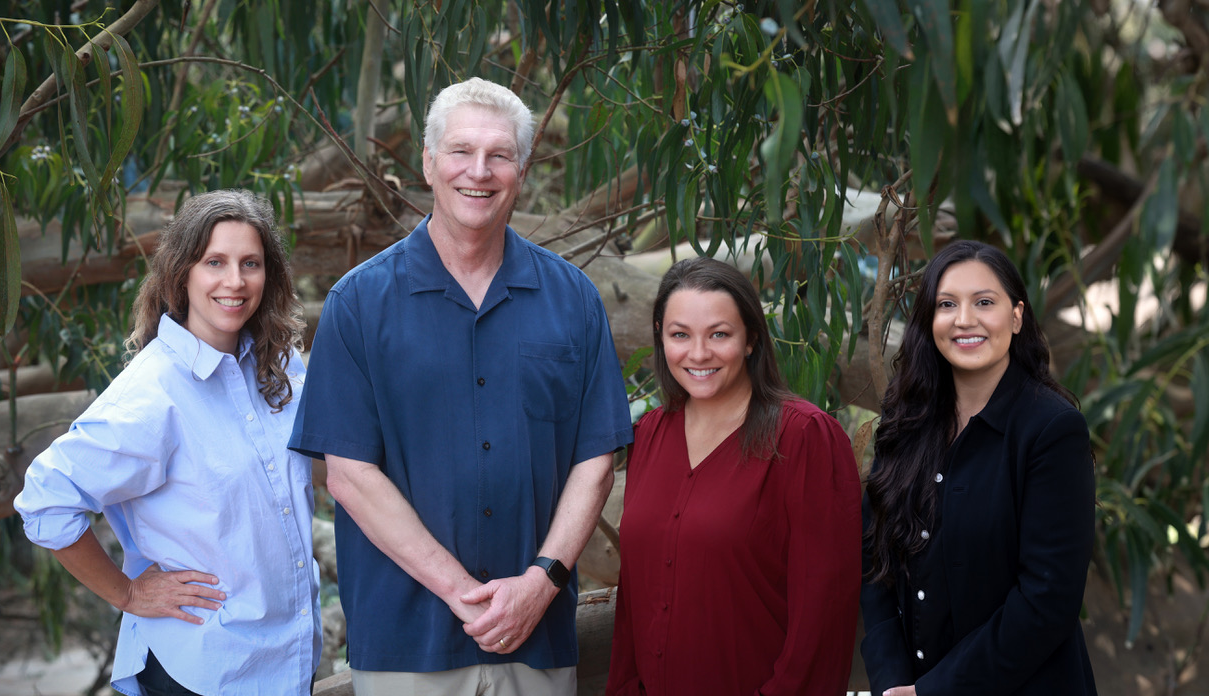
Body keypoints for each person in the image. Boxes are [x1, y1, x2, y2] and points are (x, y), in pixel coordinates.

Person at [288, 77, 633, 696]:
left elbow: (594, 461)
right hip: (405, 648)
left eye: (500, 154)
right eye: (461, 151)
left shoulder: (572, 299)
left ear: (522, 169)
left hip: (539, 640)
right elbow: (349, 475)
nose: (480, 171)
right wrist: (464, 595)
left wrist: (540, 583)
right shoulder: (360, 303)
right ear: (427, 160)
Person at [14, 189, 320, 696]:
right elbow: (46, 500)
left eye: (251, 263)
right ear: (182, 273)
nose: (235, 281)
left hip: (289, 657)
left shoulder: (279, 366)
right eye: (214, 262)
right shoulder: (153, 392)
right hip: (205, 669)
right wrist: (128, 593)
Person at [606, 257, 862, 695]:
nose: (699, 353)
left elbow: (823, 614)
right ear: (660, 338)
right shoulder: (647, 437)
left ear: (751, 340)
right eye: (680, 335)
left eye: (719, 334)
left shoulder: (803, 438)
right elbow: (635, 600)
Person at [860, 240, 1097, 696]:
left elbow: (1047, 601)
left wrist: (934, 691)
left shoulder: (1052, 430)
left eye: (984, 302)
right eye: (947, 304)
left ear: (1016, 316)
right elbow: (876, 562)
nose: (964, 319)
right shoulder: (906, 420)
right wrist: (893, 682)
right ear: (930, 321)